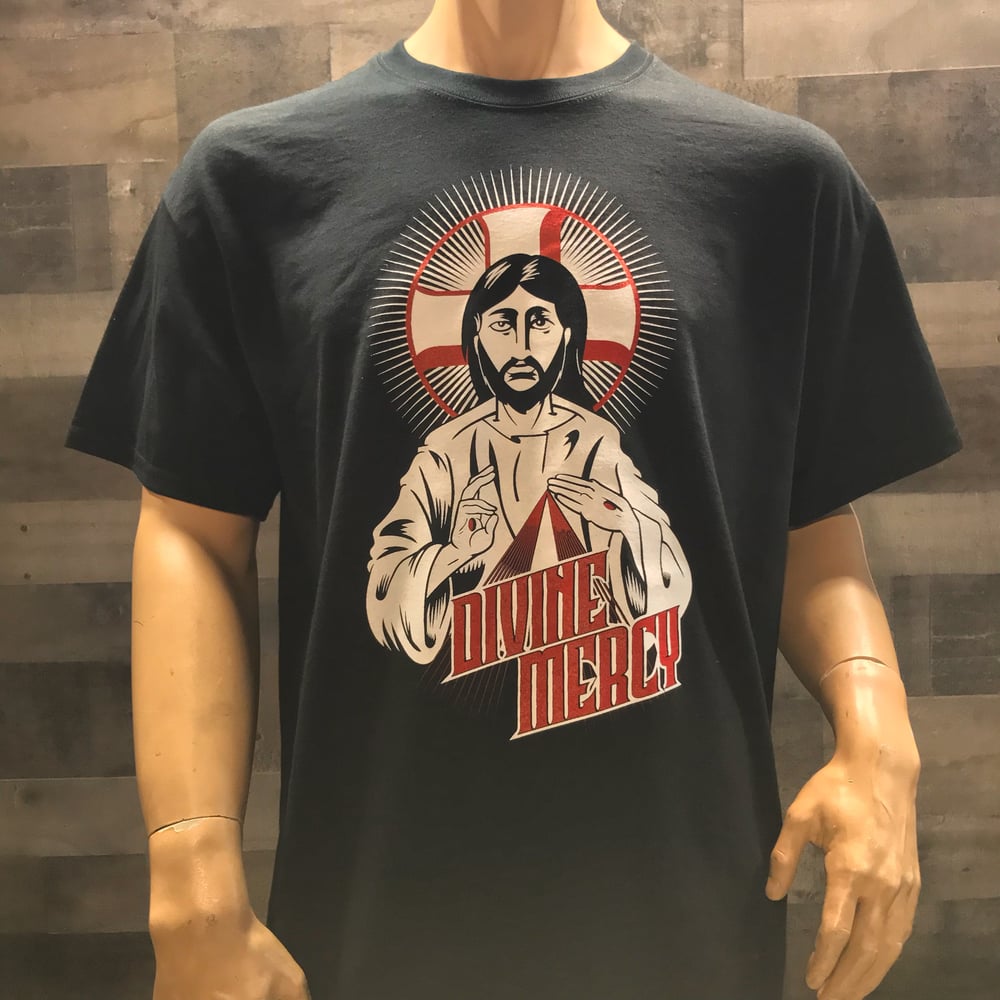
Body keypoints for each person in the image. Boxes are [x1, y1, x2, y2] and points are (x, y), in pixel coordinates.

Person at [63, 2, 962, 998]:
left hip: (682, 917)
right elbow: (194, 526)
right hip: (379, 917)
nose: (523, 342)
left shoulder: (780, 186)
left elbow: (801, 520)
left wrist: (876, 731)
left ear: (573, 337)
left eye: (543, 323)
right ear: (473, 340)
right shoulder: (254, 183)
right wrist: (192, 873)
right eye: (502, 324)